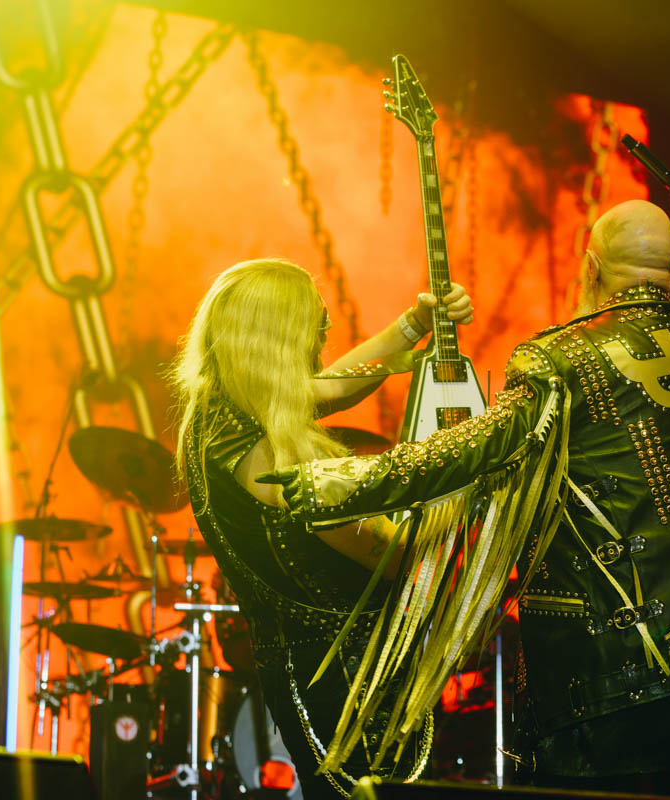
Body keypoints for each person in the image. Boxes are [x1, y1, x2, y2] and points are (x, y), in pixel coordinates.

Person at [262, 179, 670, 797]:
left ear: (590, 267)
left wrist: (337, 480)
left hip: (604, 676)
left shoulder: (559, 359)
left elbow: (469, 451)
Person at [169, 258, 474, 799]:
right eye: (315, 325)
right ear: (280, 341)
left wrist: (413, 325)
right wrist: (463, 479)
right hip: (345, 683)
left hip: (306, 669)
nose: (325, 337)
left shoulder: (218, 415)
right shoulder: (276, 458)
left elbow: (327, 387)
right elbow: (396, 558)